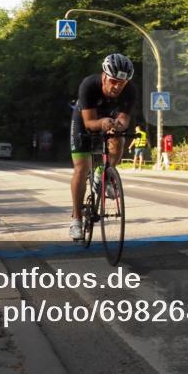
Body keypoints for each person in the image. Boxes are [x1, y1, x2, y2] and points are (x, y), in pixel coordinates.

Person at [68, 53, 137, 240]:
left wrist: (120, 125)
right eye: (113, 81)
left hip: (109, 118)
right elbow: (90, 123)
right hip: (85, 119)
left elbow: (124, 117)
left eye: (121, 83)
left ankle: (105, 174)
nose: (117, 87)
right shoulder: (89, 85)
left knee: (118, 136)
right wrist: (102, 123)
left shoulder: (130, 90)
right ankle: (76, 219)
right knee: (81, 168)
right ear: (104, 76)